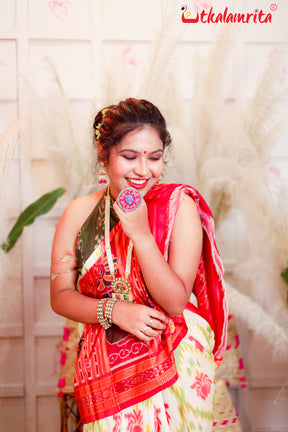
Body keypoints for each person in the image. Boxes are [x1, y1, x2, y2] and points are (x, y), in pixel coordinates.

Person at [50, 98, 227, 431]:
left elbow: (175, 302)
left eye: (155, 158)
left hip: (174, 367)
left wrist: (143, 237)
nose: (144, 171)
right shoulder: (77, 214)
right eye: (129, 157)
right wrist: (115, 311)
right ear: (104, 156)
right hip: (106, 373)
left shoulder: (179, 207)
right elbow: (59, 295)